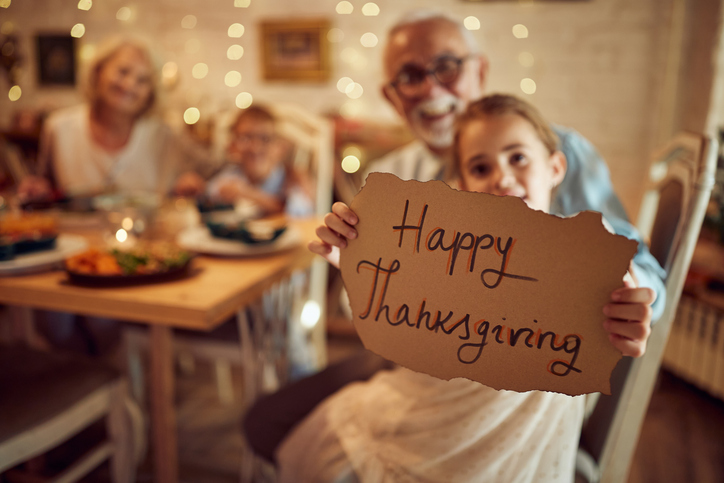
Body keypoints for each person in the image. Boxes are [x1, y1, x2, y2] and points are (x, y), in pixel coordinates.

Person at [277, 94, 655, 482]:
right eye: (480, 167)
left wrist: (629, 315)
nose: (502, 177)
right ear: (462, 186)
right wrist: (360, 267)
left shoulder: (586, 253)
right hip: (427, 420)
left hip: (519, 452)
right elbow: (399, 311)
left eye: (518, 158)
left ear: (555, 167)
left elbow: (623, 303)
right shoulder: (452, 254)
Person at [359, 10, 665, 320]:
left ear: (479, 71)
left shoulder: (558, 151)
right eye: (410, 77)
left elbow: (642, 271)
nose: (431, 89)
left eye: (447, 67)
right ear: (391, 97)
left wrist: (631, 293)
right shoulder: (387, 180)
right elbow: (365, 301)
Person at [17, 36, 214, 203]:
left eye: (143, 80)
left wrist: (190, 186)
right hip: (77, 241)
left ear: (151, 92)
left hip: (146, 243)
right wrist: (36, 190)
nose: (129, 85)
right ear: (98, 71)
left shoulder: (163, 135)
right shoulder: (59, 128)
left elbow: (207, 174)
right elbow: (47, 191)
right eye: (123, 72)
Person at [204, 105, 314, 217]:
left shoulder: (292, 178)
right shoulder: (231, 174)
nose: (255, 148)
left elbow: (301, 211)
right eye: (246, 138)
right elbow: (209, 192)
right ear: (232, 145)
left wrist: (249, 194)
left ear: (280, 147)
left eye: (265, 139)